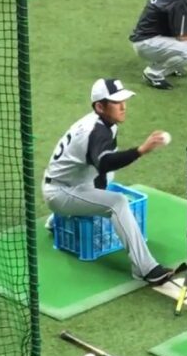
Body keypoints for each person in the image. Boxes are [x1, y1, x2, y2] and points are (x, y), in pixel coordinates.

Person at [41, 78, 173, 286]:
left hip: (72, 183)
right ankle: (146, 269)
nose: (123, 106)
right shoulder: (95, 130)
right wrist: (140, 150)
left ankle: (58, 220)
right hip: (59, 192)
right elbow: (104, 162)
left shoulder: (105, 124)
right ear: (100, 107)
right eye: (116, 102)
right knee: (117, 202)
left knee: (109, 179)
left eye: (124, 100)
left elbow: (103, 168)